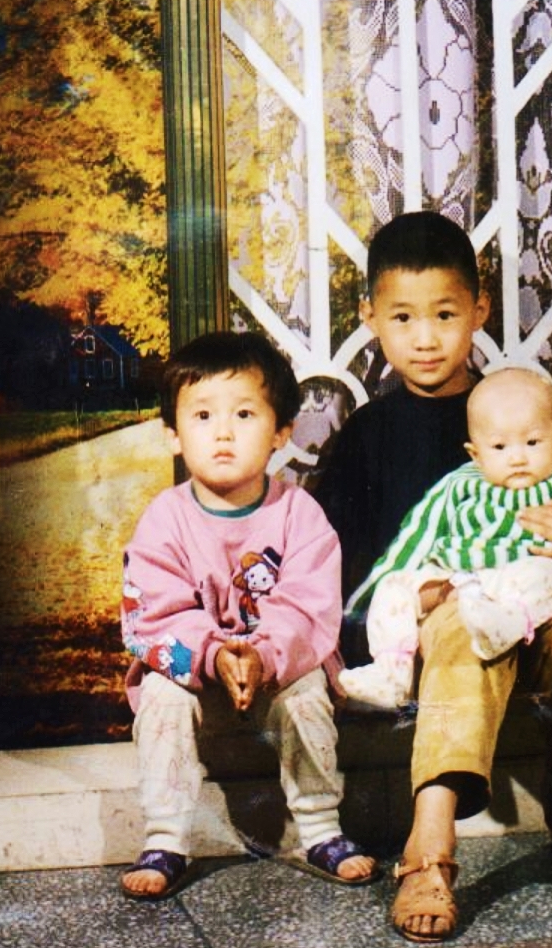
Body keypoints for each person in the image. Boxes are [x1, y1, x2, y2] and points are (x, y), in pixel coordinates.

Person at [313, 211, 552, 943]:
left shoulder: (515, 411)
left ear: (479, 310)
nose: (425, 338)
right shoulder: (367, 436)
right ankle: (430, 847)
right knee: (458, 622)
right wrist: (383, 619)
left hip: (529, 624)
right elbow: (335, 564)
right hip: (432, 642)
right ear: (370, 318)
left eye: (445, 314)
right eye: (403, 317)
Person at [120, 331, 377, 901]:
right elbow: (155, 609)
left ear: (281, 430)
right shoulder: (164, 519)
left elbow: (309, 605)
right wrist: (215, 654)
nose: (223, 433)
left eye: (244, 414)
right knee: (162, 697)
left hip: (276, 669)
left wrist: (260, 654)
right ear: (172, 433)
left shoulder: (299, 513)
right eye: (202, 415)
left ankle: (320, 827)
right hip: (195, 672)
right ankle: (165, 837)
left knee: (308, 693)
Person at [339, 367, 552, 709]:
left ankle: (503, 623)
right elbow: (417, 536)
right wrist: (378, 589)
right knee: (395, 588)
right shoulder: (459, 483)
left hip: (526, 580)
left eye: (532, 443)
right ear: (476, 453)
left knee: (545, 575)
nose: (517, 458)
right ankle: (391, 673)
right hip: (460, 582)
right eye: (500, 447)